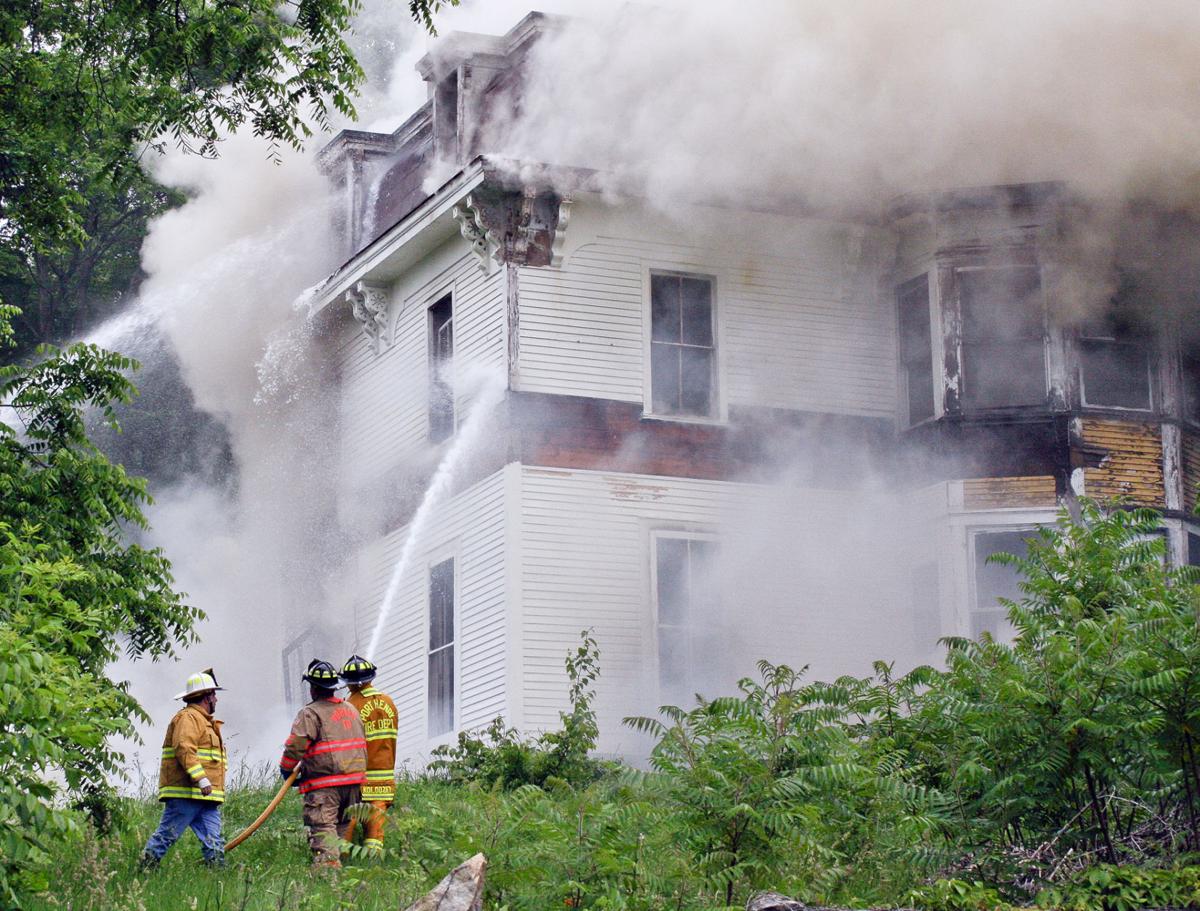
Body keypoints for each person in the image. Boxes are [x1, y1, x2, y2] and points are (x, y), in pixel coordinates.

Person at [280, 659, 367, 867]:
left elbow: (296, 744)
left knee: (324, 827)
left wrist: (286, 769)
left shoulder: (310, 713)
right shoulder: (352, 710)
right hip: (354, 784)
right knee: (342, 827)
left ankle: (327, 873)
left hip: (326, 785)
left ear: (313, 688)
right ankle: (343, 874)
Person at [140, 669, 227, 868]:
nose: (216, 699)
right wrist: (201, 779)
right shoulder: (188, 718)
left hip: (205, 797)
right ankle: (144, 871)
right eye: (214, 694)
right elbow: (184, 748)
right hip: (186, 794)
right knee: (166, 837)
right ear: (205, 697)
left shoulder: (204, 721)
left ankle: (219, 881)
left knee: (215, 844)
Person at [339, 655, 398, 856]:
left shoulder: (350, 705)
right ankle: (372, 861)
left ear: (351, 684)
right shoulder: (389, 703)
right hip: (384, 777)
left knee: (350, 817)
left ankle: (342, 860)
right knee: (376, 825)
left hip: (359, 776)